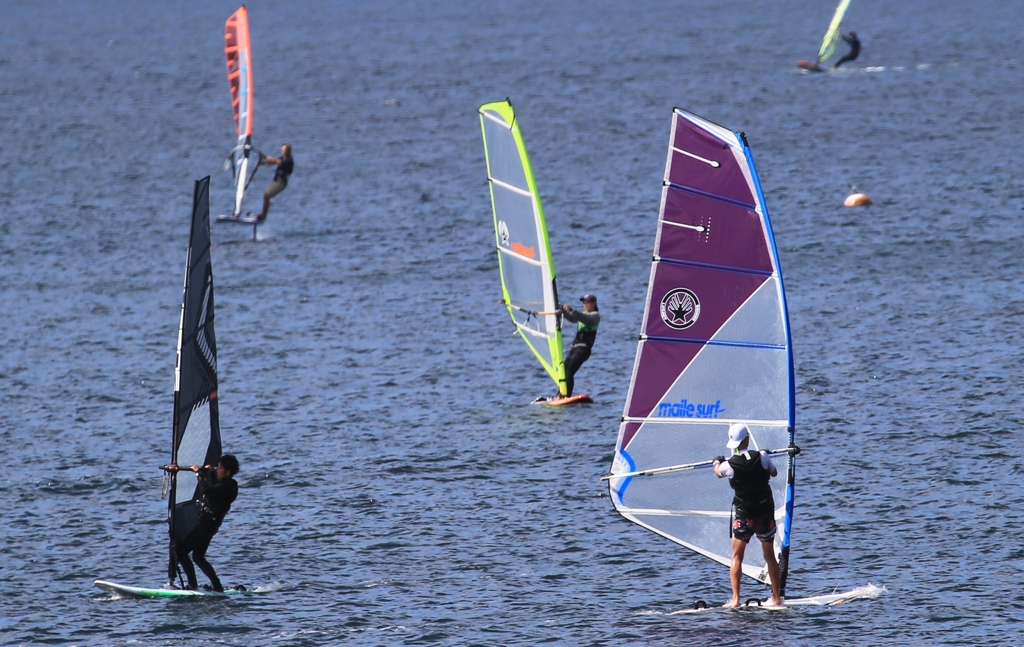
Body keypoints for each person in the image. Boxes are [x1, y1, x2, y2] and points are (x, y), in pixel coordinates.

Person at [712, 424, 783, 608]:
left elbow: (719, 472)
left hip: (745, 517)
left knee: (736, 557)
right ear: (747, 439)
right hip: (764, 514)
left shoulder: (729, 465)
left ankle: (735, 600)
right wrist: (764, 456)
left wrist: (716, 461)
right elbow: (774, 473)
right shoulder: (763, 457)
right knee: (770, 557)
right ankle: (776, 598)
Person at [175, 454, 240, 592]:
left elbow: (207, 490)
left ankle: (192, 585)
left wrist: (198, 473)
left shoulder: (227, 486)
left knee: (181, 552)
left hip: (206, 525)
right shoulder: (230, 484)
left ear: (228, 472)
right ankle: (217, 586)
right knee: (198, 556)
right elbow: (218, 486)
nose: (218, 469)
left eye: (220, 468)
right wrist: (211, 473)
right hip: (210, 525)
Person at [558, 294, 600, 398]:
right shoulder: (582, 314)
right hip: (575, 348)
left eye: (588, 303)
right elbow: (573, 318)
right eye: (584, 303)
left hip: (583, 349)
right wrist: (563, 311)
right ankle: (561, 394)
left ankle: (567, 396)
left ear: (594, 303)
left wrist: (572, 309)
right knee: (563, 370)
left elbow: (583, 317)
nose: (585, 305)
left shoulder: (595, 316)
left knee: (570, 371)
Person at [254, 144, 293, 222]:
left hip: (281, 183)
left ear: (289, 151)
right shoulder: (283, 158)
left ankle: (263, 216)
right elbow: (273, 162)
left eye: (285, 150)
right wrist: (262, 163)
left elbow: (277, 161)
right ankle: (263, 215)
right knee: (266, 196)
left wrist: (264, 156)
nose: (284, 151)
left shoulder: (289, 160)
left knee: (266, 195)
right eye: (283, 150)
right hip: (276, 181)